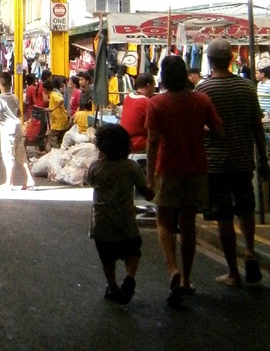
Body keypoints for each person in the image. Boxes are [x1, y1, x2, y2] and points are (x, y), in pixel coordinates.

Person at [145, 54, 224, 306]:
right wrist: (199, 130)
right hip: (196, 167)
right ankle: (187, 279)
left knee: (164, 221)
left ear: (164, 77)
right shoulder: (201, 100)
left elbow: (152, 142)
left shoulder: (156, 103)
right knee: (188, 223)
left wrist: (149, 177)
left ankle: (172, 269)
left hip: (167, 167)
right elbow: (219, 132)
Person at [195, 38, 270, 287]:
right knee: (246, 209)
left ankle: (233, 272)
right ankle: (249, 250)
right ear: (231, 60)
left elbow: (198, 126)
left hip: (216, 164)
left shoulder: (204, 89)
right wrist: (262, 157)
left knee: (224, 215)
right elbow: (257, 126)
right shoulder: (247, 87)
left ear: (209, 60)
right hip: (243, 159)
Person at [87, 123, 155, 304]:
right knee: (132, 249)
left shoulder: (95, 168)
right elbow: (145, 191)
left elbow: (91, 183)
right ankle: (130, 275)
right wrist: (153, 192)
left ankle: (112, 286)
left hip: (102, 221)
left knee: (107, 256)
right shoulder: (131, 167)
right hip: (126, 219)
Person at [0, 72, 35, 190]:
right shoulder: (14, 97)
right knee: (21, 154)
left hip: (7, 130)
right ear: (10, 84)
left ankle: (9, 183)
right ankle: (30, 179)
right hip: (17, 128)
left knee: (8, 155)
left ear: (0, 84)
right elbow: (19, 113)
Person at [119, 73, 156, 152]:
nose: (154, 89)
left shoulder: (128, 97)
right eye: (154, 85)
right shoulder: (146, 102)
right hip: (138, 144)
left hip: (124, 140)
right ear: (148, 85)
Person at [42, 75, 70, 150]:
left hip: (59, 120)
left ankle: (57, 149)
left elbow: (61, 100)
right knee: (60, 136)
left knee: (50, 134)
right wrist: (49, 109)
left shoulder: (53, 95)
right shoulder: (54, 94)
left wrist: (52, 109)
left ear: (45, 89)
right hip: (60, 119)